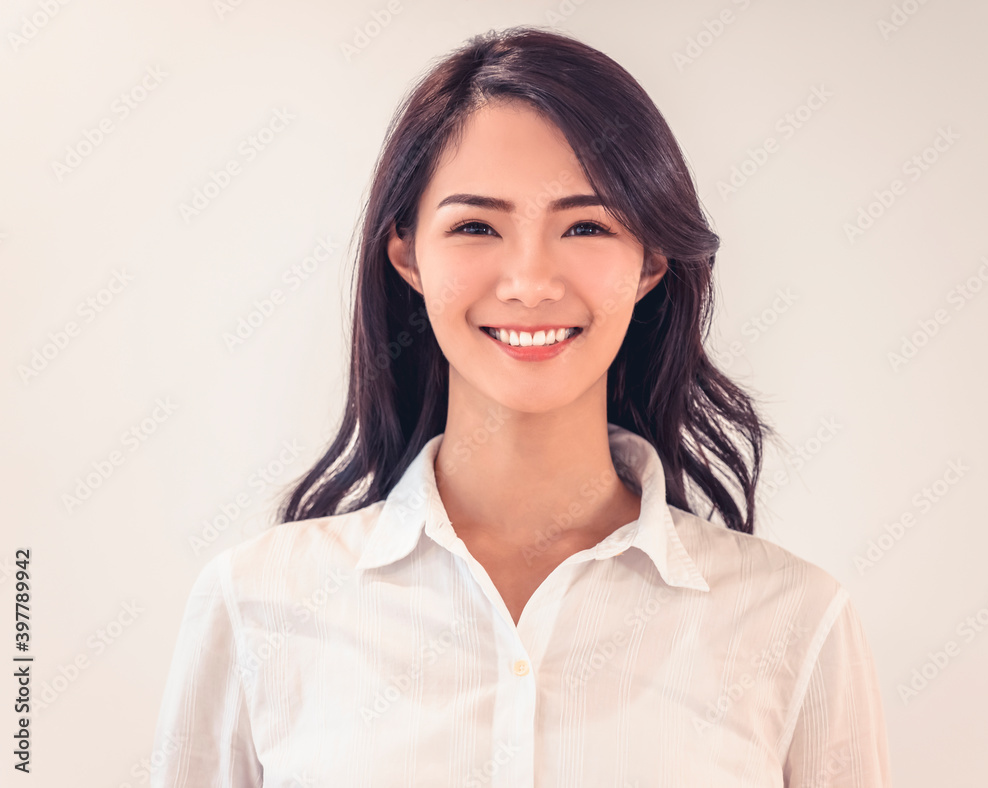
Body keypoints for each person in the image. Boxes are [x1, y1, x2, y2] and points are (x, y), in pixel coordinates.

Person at [150, 25, 893, 786]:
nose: (530, 282)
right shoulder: (256, 606)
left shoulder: (794, 623)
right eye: (476, 226)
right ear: (407, 253)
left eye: (586, 225)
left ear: (651, 261)